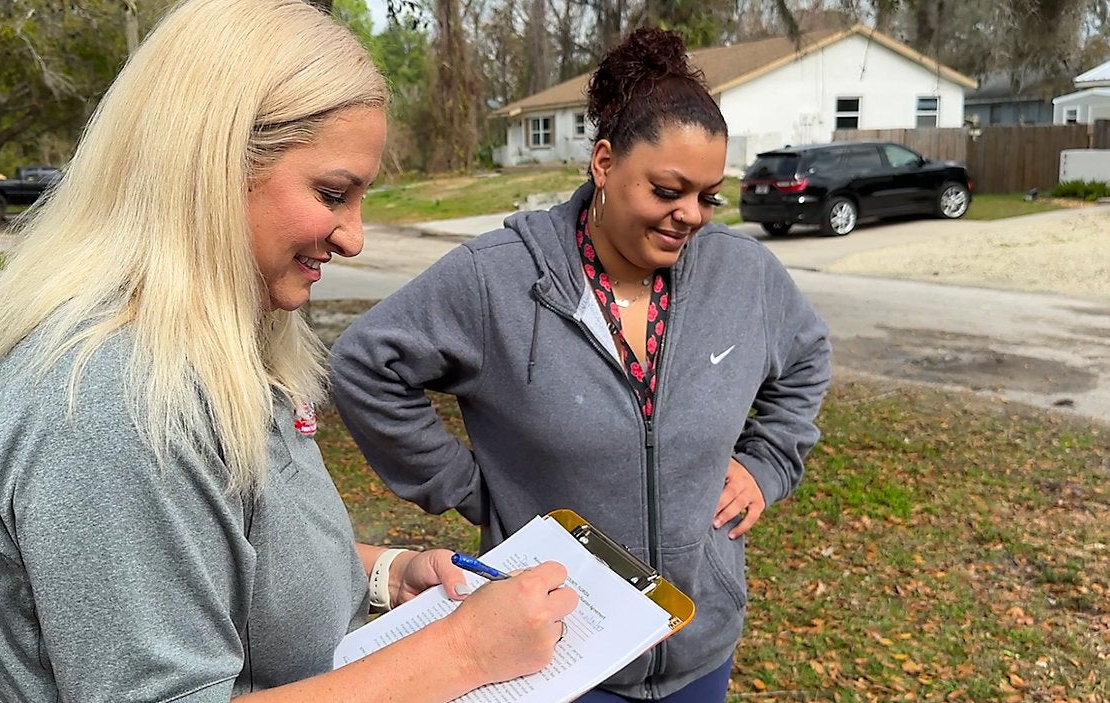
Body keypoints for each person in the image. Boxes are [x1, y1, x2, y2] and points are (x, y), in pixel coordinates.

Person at [0, 0, 576, 700]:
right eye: (333, 192)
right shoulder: (106, 397)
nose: (354, 237)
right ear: (211, 164)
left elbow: (221, 557)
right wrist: (458, 653)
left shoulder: (220, 349)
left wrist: (381, 574)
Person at [329, 27, 832, 703]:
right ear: (603, 162)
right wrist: (474, 489)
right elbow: (366, 363)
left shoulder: (744, 277)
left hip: (698, 650)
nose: (690, 215)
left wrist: (769, 461)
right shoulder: (497, 280)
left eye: (708, 196)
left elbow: (807, 355)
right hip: (554, 652)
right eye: (667, 189)